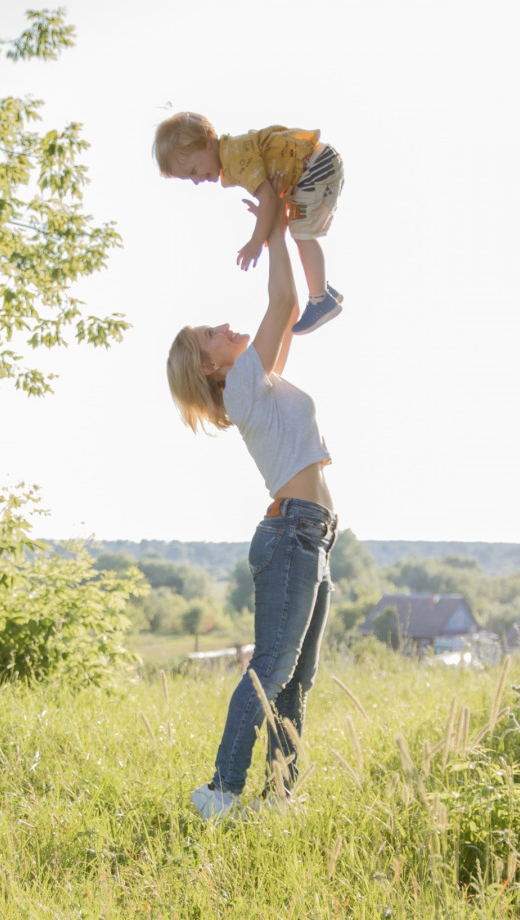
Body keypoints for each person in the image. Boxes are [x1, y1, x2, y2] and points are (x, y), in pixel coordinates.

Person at [166, 184, 338, 821]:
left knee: (296, 679)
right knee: (271, 665)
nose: (225, 327)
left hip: (314, 536)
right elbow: (285, 299)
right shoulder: (241, 384)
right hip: (292, 535)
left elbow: (286, 313)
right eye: (212, 333)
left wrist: (279, 225)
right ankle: (221, 791)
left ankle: (281, 798)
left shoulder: (256, 380)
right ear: (209, 368)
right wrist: (274, 230)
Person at [154, 112, 344, 336]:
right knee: (299, 229)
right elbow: (272, 198)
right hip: (317, 162)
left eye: (193, 171)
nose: (197, 181)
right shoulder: (236, 151)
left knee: (301, 233)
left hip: (313, 167)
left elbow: (269, 199)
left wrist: (256, 242)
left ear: (205, 143)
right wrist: (270, 219)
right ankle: (322, 288)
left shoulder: (236, 161)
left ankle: (320, 299)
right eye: (190, 179)